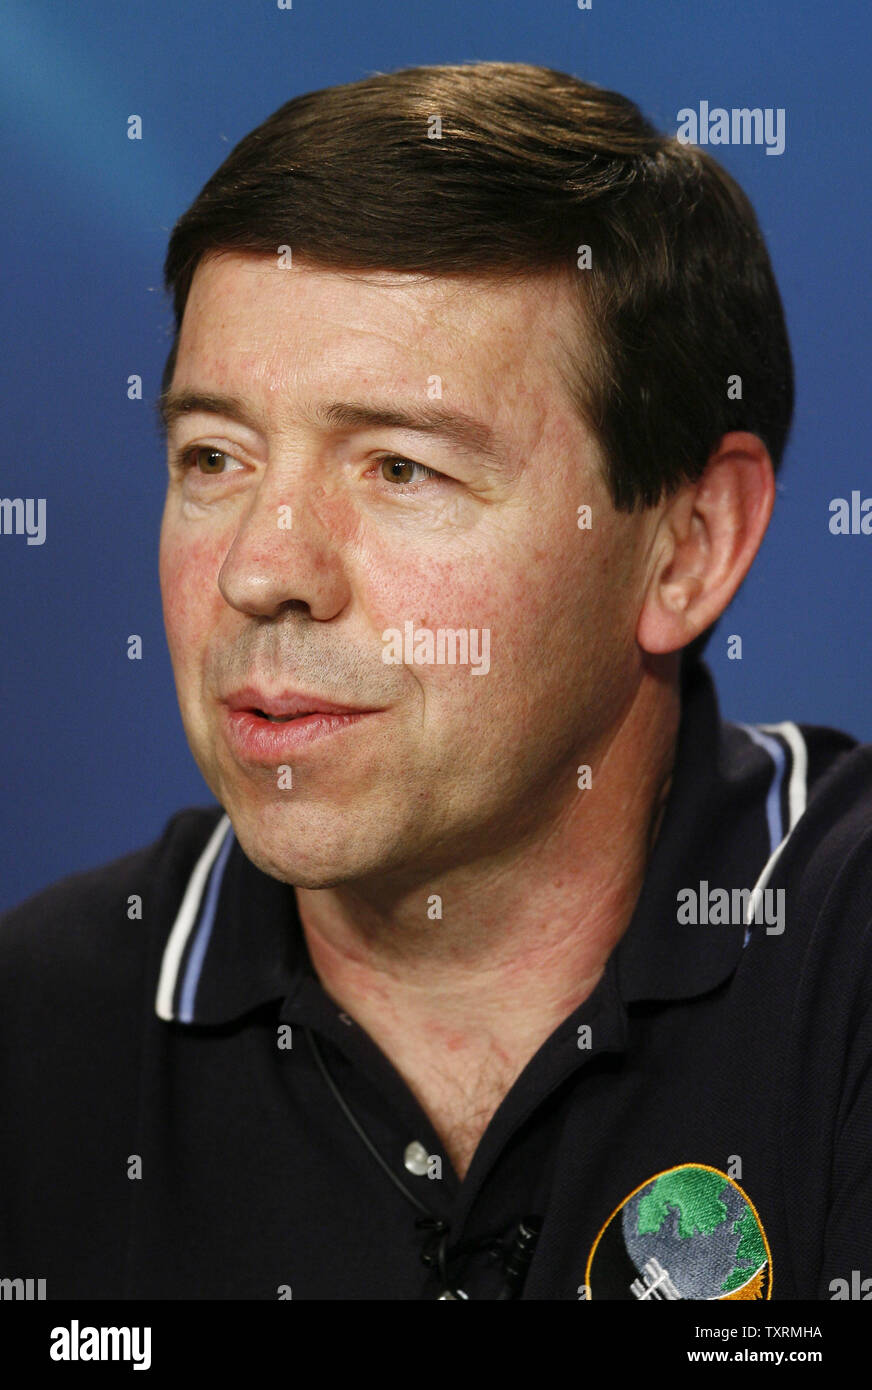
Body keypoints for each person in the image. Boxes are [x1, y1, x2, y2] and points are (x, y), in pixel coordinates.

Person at [2, 61, 870, 1302]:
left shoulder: (842, 956)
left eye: (401, 468)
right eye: (212, 456)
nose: (261, 568)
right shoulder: (42, 1023)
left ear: (686, 546)